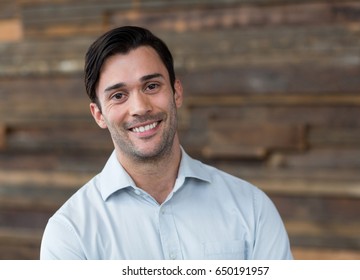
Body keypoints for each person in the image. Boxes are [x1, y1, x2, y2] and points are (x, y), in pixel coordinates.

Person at [40, 26, 293, 260]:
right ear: (98, 115)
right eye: (118, 95)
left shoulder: (251, 208)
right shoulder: (69, 234)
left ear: (177, 92)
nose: (140, 108)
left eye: (151, 86)